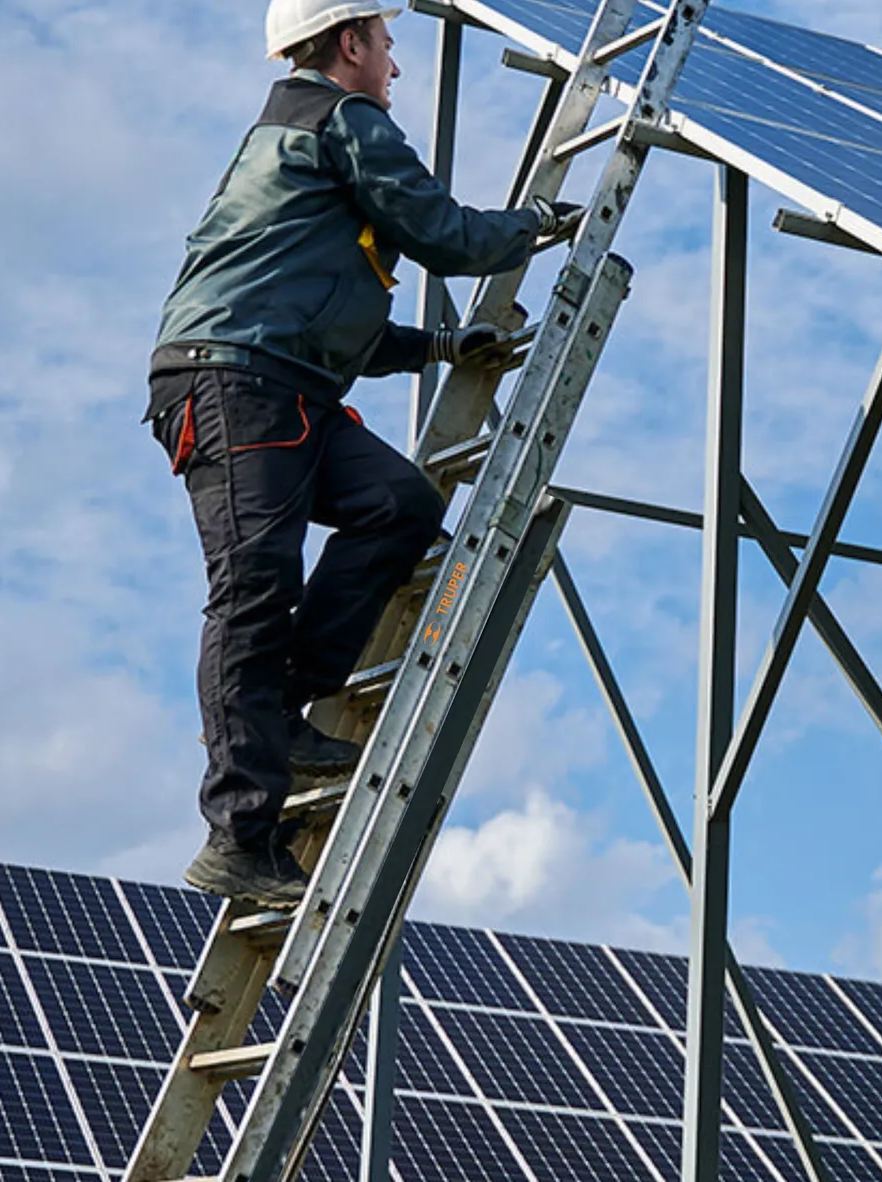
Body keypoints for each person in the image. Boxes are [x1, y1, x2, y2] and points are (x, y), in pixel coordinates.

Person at [145, 0, 583, 910]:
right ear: (348, 44)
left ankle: (287, 706)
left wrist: (434, 349)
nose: (394, 64)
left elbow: (333, 311)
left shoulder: (305, 144)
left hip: (285, 379)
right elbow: (445, 234)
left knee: (400, 502)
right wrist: (536, 223)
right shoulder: (344, 121)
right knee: (255, 583)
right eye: (386, 44)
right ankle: (238, 834)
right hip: (236, 384)